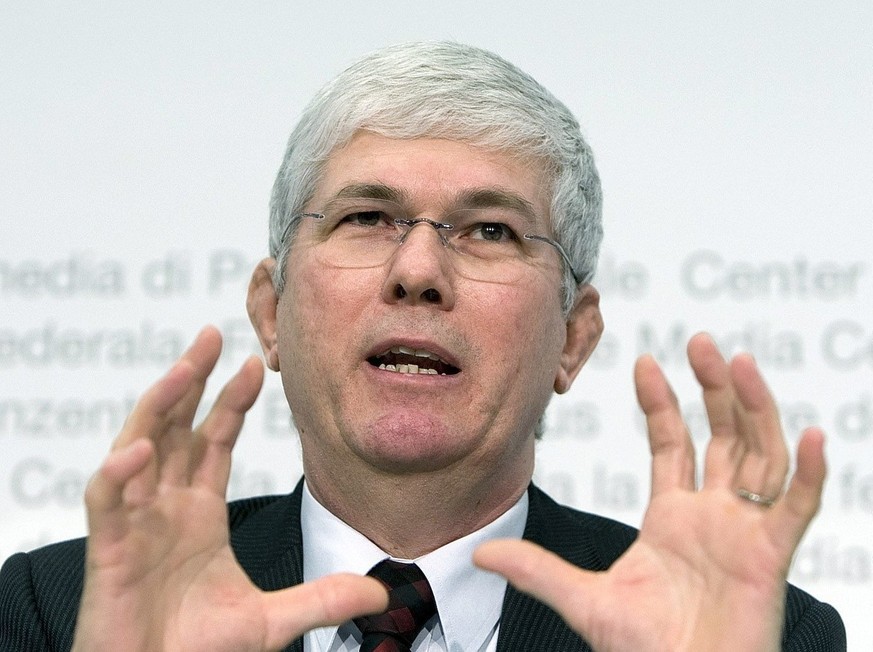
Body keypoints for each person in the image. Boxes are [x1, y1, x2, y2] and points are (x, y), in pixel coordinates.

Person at [0, 41, 845, 651]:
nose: (417, 270)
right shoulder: (57, 608)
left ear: (572, 339)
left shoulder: (759, 633)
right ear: (271, 309)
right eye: (366, 217)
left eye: (488, 229)